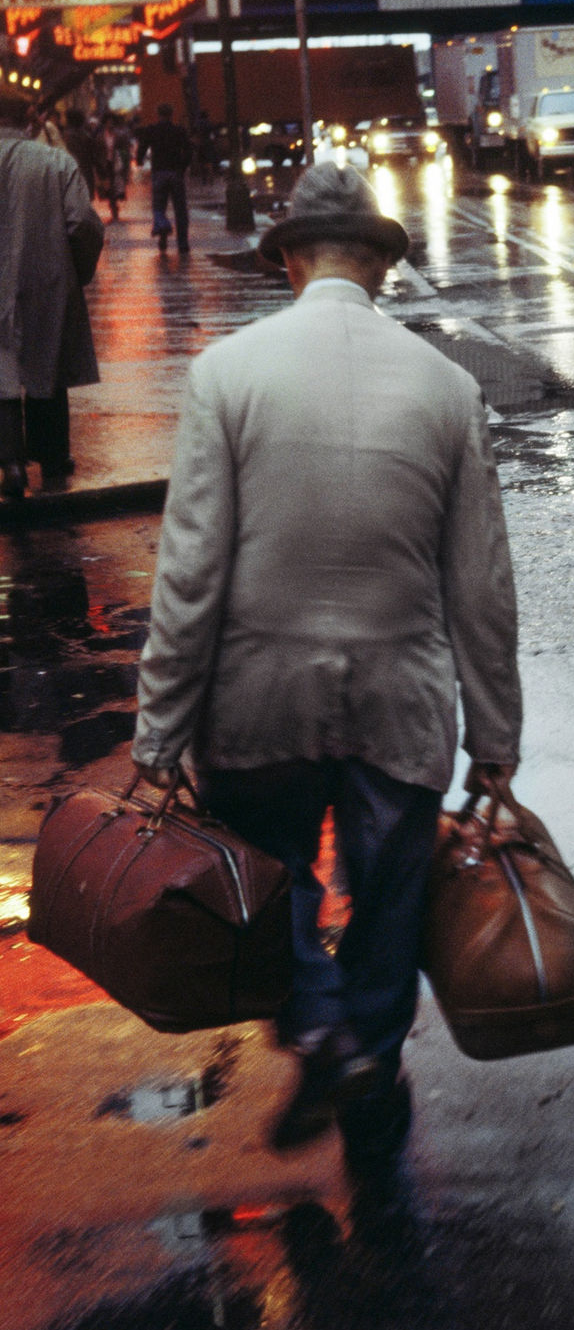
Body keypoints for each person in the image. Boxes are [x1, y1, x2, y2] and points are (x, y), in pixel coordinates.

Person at [131, 163, 522, 1195]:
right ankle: (373, 1070)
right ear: (383, 269)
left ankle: (314, 1022)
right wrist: (495, 737)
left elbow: (191, 568)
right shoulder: (448, 387)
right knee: (390, 896)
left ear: (290, 262)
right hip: (401, 700)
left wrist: (159, 731)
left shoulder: (229, 373)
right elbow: (479, 580)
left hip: (258, 702)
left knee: (276, 881)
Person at [0, 94, 104, 497]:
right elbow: (82, 224)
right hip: (45, 279)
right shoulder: (56, 163)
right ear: (29, 122)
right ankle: (52, 456)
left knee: (2, 367)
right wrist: (74, 272)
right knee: (47, 366)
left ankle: (9, 462)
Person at [136, 102, 192, 253]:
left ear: (158, 114)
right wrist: (183, 167)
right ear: (171, 114)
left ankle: (163, 231)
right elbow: (188, 150)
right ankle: (182, 243)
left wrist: (140, 160)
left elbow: (142, 147)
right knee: (180, 210)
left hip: (159, 173)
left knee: (159, 207)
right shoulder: (179, 131)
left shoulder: (152, 130)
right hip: (175, 173)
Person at [93, 112, 131, 221]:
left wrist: (126, 167)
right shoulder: (100, 137)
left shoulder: (119, 136)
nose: (110, 124)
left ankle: (115, 210)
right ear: (104, 123)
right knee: (108, 188)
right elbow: (97, 151)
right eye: (108, 122)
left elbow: (125, 151)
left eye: (112, 122)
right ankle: (114, 210)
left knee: (116, 187)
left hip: (117, 165)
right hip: (105, 165)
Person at [62, 108, 97, 195]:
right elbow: (93, 155)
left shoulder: (66, 135)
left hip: (70, 171)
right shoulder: (86, 136)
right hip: (85, 171)